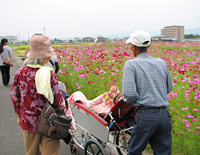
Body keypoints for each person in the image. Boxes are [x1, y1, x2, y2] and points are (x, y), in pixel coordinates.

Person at [11, 35, 70, 155]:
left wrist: (18, 115)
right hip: (49, 121)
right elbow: (57, 99)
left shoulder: (20, 72)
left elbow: (15, 97)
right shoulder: (49, 73)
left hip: (28, 121)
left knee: (31, 152)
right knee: (51, 152)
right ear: (45, 56)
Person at [122, 30, 173, 155]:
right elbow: (169, 87)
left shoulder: (131, 65)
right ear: (148, 46)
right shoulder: (161, 63)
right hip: (164, 115)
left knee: (134, 152)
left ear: (133, 47)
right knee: (163, 152)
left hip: (146, 116)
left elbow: (130, 95)